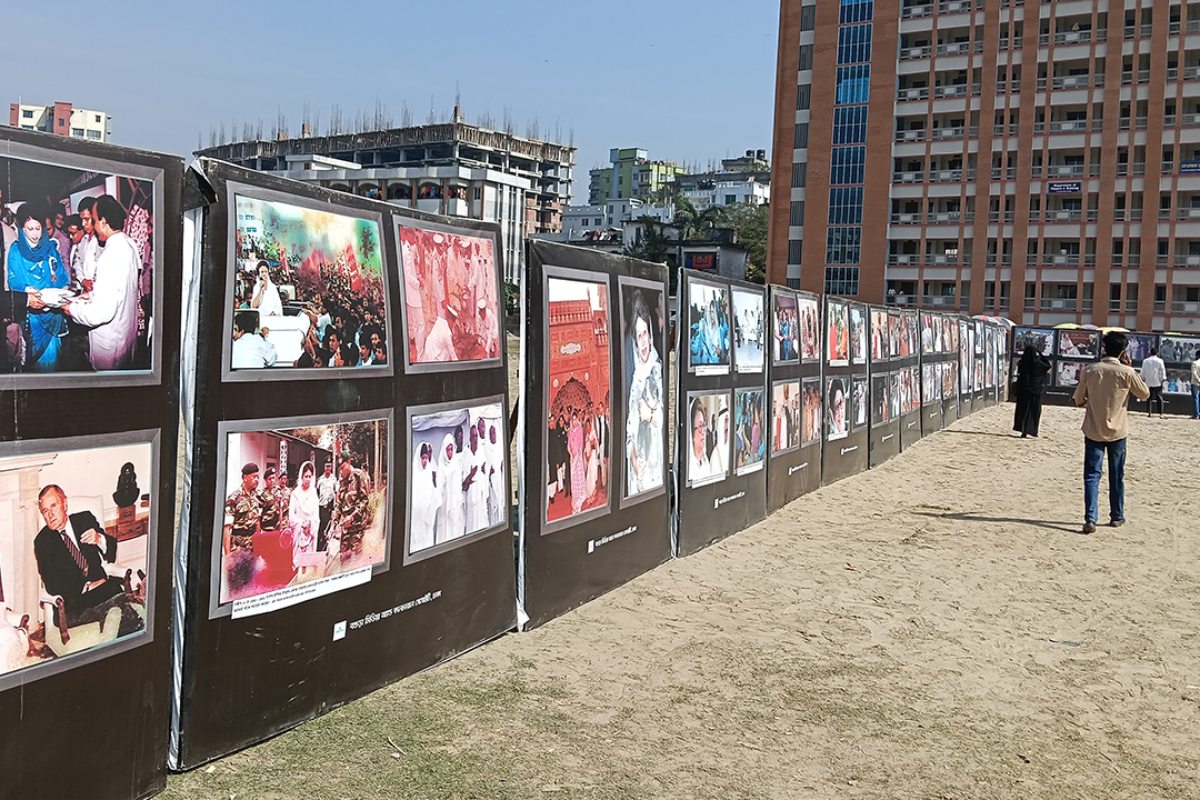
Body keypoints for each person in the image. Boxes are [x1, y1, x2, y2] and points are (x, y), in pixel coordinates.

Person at [1073, 331, 1150, 534]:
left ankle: (1090, 517)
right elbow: (1144, 393)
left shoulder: (1090, 370)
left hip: (1093, 429)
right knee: (1117, 475)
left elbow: (1078, 399)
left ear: (1104, 348)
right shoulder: (1127, 372)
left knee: (1091, 475)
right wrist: (1129, 366)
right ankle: (1116, 515)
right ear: (1123, 351)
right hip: (1118, 431)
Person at [63, 196, 141, 370]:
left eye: (95, 219)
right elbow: (120, 289)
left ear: (104, 222)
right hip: (125, 335)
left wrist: (72, 309)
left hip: (111, 345)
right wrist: (90, 295)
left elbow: (101, 313)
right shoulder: (129, 244)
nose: (94, 226)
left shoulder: (110, 255)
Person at [32, 485, 127, 626]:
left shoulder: (84, 520)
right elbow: (52, 584)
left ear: (64, 504)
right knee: (115, 594)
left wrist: (99, 539)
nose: (50, 514)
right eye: (45, 511)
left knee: (114, 595)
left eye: (53, 506)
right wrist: (87, 586)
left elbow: (111, 549)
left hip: (102, 590)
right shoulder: (43, 542)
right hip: (73, 604)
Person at [6, 203, 69, 371]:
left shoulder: (51, 249)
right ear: (22, 229)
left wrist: (62, 290)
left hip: (52, 314)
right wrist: (27, 290)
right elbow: (13, 281)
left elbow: (61, 275)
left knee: (52, 360)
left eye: (38, 228)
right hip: (31, 318)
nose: (34, 234)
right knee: (32, 361)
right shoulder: (15, 251)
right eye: (30, 229)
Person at [288, 462, 321, 575]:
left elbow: (316, 515)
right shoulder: (295, 494)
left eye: (310, 476)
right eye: (306, 476)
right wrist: (302, 524)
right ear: (301, 477)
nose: (308, 479)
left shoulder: (313, 493)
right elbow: (291, 517)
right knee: (298, 566)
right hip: (299, 533)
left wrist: (310, 524)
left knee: (309, 566)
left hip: (311, 533)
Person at [333, 457, 371, 558]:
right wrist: (334, 522)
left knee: (356, 557)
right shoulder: (342, 481)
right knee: (343, 556)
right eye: (340, 469)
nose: (341, 471)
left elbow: (365, 500)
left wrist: (352, 517)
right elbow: (339, 504)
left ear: (349, 462)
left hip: (357, 525)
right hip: (345, 528)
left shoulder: (358, 475)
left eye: (343, 467)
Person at [1013, 344, 1052, 438]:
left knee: (1023, 410)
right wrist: (1040, 353)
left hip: (1023, 391)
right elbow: (1048, 365)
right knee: (1034, 410)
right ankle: (1033, 430)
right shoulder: (1039, 364)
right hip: (1035, 391)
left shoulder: (1022, 363)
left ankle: (1023, 430)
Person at [225, 463, 263, 552]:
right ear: (245, 478)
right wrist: (227, 555)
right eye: (254, 477)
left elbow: (257, 522)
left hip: (253, 546)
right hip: (238, 547)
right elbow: (227, 529)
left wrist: (259, 546)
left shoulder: (256, 497)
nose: (257, 480)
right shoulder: (234, 498)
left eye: (258, 477)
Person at [437, 434, 466, 540]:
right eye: (447, 450)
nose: (450, 452)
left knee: (455, 530)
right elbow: (440, 488)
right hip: (445, 507)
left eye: (451, 449)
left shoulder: (456, 465)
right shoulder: (441, 467)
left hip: (455, 505)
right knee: (445, 531)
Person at [411, 443, 438, 551]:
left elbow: (431, 491)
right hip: (417, 515)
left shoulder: (428, 472)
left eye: (426, 458)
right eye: (423, 458)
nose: (425, 461)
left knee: (427, 540)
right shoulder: (414, 473)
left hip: (427, 514)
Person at [464, 425, 489, 533]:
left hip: (481, 494)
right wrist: (471, 474)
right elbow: (464, 482)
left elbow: (485, 470)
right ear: (469, 438)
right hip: (471, 495)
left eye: (476, 436)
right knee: (472, 525)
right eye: (473, 436)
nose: (475, 439)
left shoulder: (481, 453)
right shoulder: (466, 454)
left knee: (482, 522)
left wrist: (485, 470)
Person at [688, 400, 714, 483]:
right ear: (691, 433)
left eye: (703, 425)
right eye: (699, 426)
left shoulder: (705, 462)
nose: (703, 431)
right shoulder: (688, 467)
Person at [316, 460, 338, 551]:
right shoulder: (320, 479)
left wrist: (335, 505)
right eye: (326, 466)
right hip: (320, 507)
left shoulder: (334, 479)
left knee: (327, 527)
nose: (328, 468)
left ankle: (325, 547)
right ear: (324, 467)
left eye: (329, 466)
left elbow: (336, 492)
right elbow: (317, 491)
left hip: (329, 507)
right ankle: (318, 546)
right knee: (320, 526)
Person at [567, 412, 586, 514]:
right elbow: (569, 445)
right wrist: (571, 454)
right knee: (573, 479)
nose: (574, 421)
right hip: (572, 458)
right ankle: (575, 500)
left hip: (578, 458)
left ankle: (580, 499)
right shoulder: (570, 431)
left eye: (575, 419)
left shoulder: (580, 430)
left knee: (578, 477)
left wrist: (577, 456)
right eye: (572, 420)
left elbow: (580, 445)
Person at [1139, 347, 1166, 418]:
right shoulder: (1160, 361)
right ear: (1157, 353)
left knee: (1149, 397)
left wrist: (1143, 379)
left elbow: (1143, 371)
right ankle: (1161, 413)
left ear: (1150, 352)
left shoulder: (1145, 361)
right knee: (1159, 398)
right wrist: (1163, 380)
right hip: (1157, 381)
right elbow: (1162, 371)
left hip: (1148, 381)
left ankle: (1149, 412)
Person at [1192, 349, 1200, 420]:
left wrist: (1198, 380)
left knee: (1195, 398)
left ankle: (1196, 414)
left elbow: (1194, 373)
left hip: (1195, 382)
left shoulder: (1194, 363)